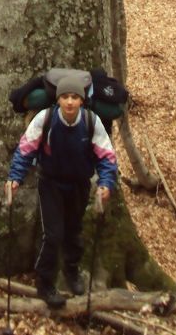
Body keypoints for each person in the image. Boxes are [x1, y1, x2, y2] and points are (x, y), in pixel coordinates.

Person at [6, 71, 117, 309]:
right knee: (53, 235)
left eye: (74, 97)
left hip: (79, 184)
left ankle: (72, 272)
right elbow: (25, 150)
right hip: (51, 183)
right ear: (57, 99)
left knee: (74, 231)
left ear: (81, 100)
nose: (69, 102)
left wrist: (106, 183)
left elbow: (106, 156)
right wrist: (15, 178)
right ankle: (44, 283)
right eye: (64, 96)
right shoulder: (45, 120)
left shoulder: (90, 121)